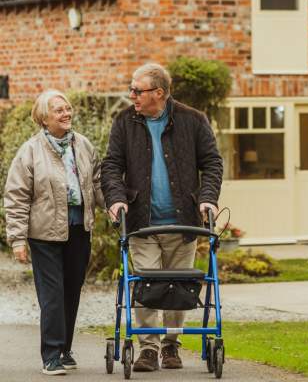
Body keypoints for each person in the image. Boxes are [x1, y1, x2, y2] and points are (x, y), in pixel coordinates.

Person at [101, 63, 223, 372]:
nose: (132, 96)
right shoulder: (124, 121)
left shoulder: (192, 120)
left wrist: (208, 198)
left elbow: (212, 163)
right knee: (145, 285)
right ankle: (148, 348)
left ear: (159, 93)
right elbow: (112, 165)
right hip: (143, 221)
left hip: (183, 223)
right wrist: (116, 200)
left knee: (178, 286)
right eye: (131, 89)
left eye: (137, 90)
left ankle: (171, 345)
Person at [4, 89, 104, 375]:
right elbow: (17, 196)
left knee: (72, 290)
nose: (66, 113)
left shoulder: (83, 145)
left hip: (79, 229)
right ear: (44, 119)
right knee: (51, 294)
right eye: (58, 110)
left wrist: (113, 207)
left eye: (68, 108)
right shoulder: (31, 151)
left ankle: (64, 348)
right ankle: (51, 354)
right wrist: (18, 239)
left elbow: (97, 183)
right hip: (44, 233)